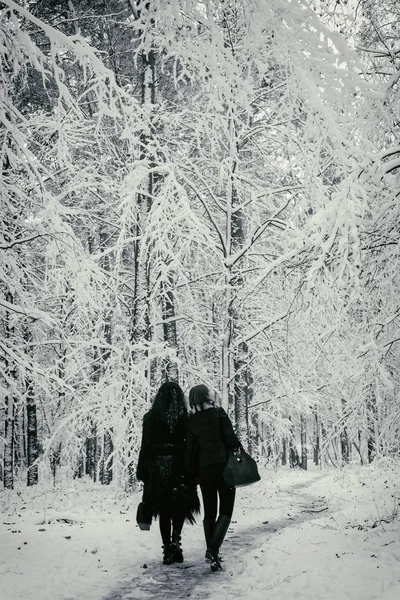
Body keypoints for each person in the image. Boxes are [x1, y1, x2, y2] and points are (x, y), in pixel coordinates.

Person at [136, 381, 200, 565]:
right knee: (179, 506)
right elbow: (191, 447)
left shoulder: (150, 418)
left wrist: (143, 471)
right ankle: (176, 541)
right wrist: (194, 470)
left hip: (158, 469)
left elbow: (145, 447)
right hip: (181, 468)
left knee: (164, 509)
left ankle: (166, 547)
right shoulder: (186, 418)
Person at [185, 384, 241, 571]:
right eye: (209, 392)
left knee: (210, 511)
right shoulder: (219, 413)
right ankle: (213, 549)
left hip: (204, 471)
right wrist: (237, 449)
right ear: (205, 396)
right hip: (224, 469)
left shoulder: (191, 421)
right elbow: (231, 439)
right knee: (226, 510)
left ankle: (213, 554)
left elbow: (190, 451)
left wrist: (192, 474)